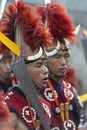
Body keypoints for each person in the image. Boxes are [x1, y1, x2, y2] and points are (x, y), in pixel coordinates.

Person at [2, 1, 53, 130]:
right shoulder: (9, 108)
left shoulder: (46, 106)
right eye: (38, 65)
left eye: (45, 64)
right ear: (20, 67)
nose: (46, 71)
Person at [35, 3, 83, 130]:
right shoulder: (36, 91)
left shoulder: (71, 91)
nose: (63, 62)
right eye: (57, 57)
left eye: (65, 56)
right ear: (44, 59)